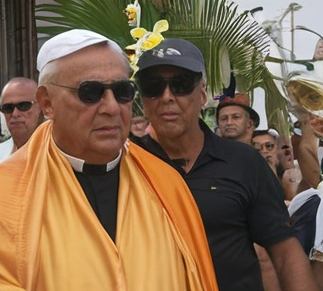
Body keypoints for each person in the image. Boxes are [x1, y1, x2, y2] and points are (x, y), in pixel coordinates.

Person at [0, 30, 217, 290]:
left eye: (122, 91)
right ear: (47, 103)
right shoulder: (3, 190)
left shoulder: (165, 183)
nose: (111, 107)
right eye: (90, 92)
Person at [134, 38, 313, 290]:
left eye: (181, 85)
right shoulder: (128, 162)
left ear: (203, 94)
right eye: (153, 87)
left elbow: (284, 252)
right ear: (143, 99)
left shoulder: (244, 161)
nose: (167, 97)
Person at [0, 78, 42, 162]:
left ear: (41, 106)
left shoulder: (61, 152)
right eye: (8, 108)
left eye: (23, 106)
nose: (15, 114)